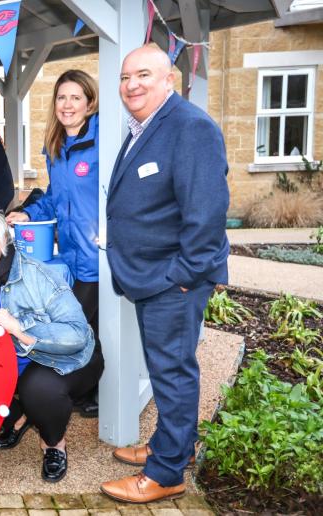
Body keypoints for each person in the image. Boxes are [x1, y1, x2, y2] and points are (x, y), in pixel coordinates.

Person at [100, 46, 229, 504]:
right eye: (124, 76)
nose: (132, 84)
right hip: (154, 276)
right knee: (165, 370)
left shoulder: (190, 128)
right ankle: (171, 447)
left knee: (172, 374)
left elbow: (208, 216)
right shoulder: (147, 126)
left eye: (143, 74)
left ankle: (166, 473)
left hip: (173, 279)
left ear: (169, 78)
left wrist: (181, 275)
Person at [0, 208, 102, 482]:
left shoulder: (37, 275)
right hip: (8, 367)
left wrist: (21, 329)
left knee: (39, 389)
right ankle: (18, 416)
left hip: (65, 359)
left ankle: (53, 443)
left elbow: (77, 333)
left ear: (3, 239)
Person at [6, 69, 103, 417]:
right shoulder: (57, 147)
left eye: (76, 97)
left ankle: (93, 391)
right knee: (86, 326)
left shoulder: (102, 139)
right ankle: (87, 390)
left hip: (100, 255)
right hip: (74, 256)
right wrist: (29, 213)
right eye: (62, 97)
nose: (67, 104)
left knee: (86, 328)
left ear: (90, 102)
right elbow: (55, 197)